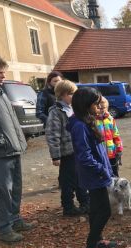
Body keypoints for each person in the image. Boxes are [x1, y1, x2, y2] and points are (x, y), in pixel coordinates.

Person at [0, 53, 33, 242]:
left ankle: (15, 220)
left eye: (3, 72)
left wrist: (18, 142)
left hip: (13, 149)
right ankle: (3, 228)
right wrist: (1, 141)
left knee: (15, 188)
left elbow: (11, 122)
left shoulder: (0, 93)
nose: (3, 76)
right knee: (1, 191)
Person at [66, 87, 117, 248]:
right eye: (96, 105)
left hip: (97, 174)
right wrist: (102, 170)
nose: (99, 108)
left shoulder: (87, 120)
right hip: (94, 175)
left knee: (96, 210)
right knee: (104, 211)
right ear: (86, 106)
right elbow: (84, 156)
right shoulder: (79, 126)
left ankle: (99, 239)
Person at [45, 80, 90, 216]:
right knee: (67, 181)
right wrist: (55, 155)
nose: (74, 96)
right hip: (67, 153)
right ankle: (68, 207)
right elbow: (52, 134)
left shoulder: (75, 108)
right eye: (71, 94)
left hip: (78, 150)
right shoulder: (56, 112)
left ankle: (85, 203)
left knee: (81, 177)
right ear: (62, 95)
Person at [96, 97, 123, 177]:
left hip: (112, 154)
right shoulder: (93, 121)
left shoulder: (111, 119)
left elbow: (116, 136)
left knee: (114, 175)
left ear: (107, 107)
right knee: (103, 175)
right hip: (100, 155)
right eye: (98, 108)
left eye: (103, 107)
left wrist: (119, 149)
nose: (101, 109)